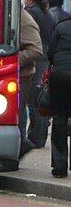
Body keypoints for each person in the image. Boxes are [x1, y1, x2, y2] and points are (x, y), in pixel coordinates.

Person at [0, 6, 43, 172]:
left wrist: (12, 60)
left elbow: (36, 49)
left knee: (17, 115)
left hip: (20, 75)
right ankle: (4, 153)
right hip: (4, 73)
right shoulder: (8, 15)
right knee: (5, 115)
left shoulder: (24, 20)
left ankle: (14, 156)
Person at [25, 0, 54, 149]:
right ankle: (38, 135)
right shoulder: (47, 14)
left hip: (36, 58)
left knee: (34, 100)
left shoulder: (31, 13)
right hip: (45, 58)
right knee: (39, 98)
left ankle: (36, 136)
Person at [48, 13, 71, 177]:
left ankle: (59, 166)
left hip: (60, 74)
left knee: (59, 117)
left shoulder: (61, 27)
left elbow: (50, 53)